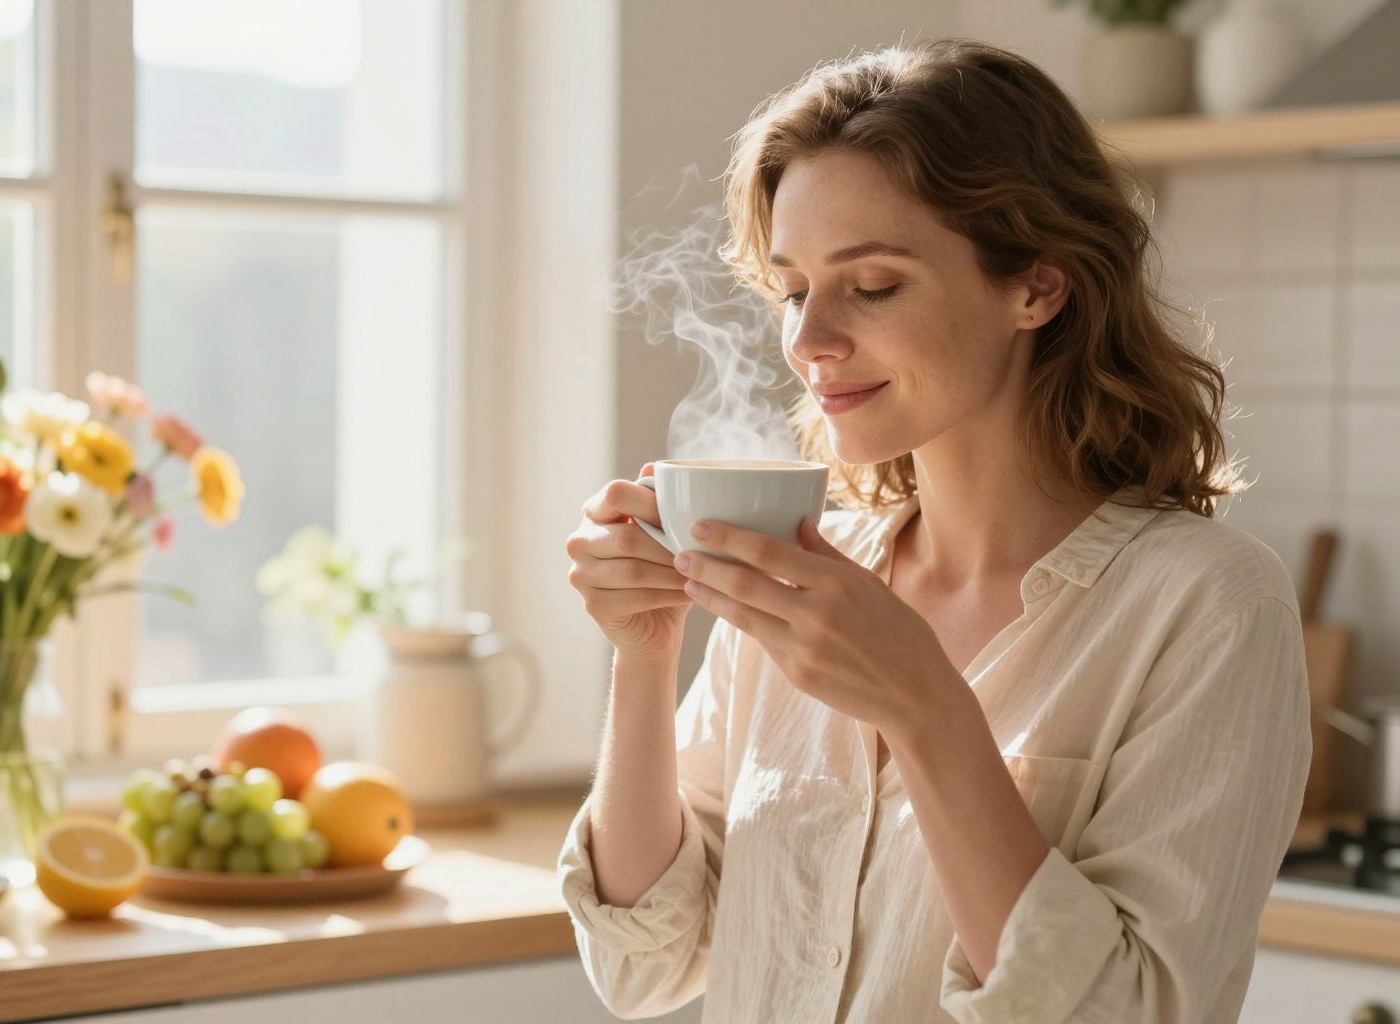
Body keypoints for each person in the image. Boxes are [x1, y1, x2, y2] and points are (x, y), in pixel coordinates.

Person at [558, 37, 1310, 1024]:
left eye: (872, 285)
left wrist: (928, 710)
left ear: (1037, 287)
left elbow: (1130, 1010)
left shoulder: (1206, 606)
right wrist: (645, 659)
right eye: (792, 289)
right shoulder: (800, 575)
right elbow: (643, 966)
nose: (810, 340)